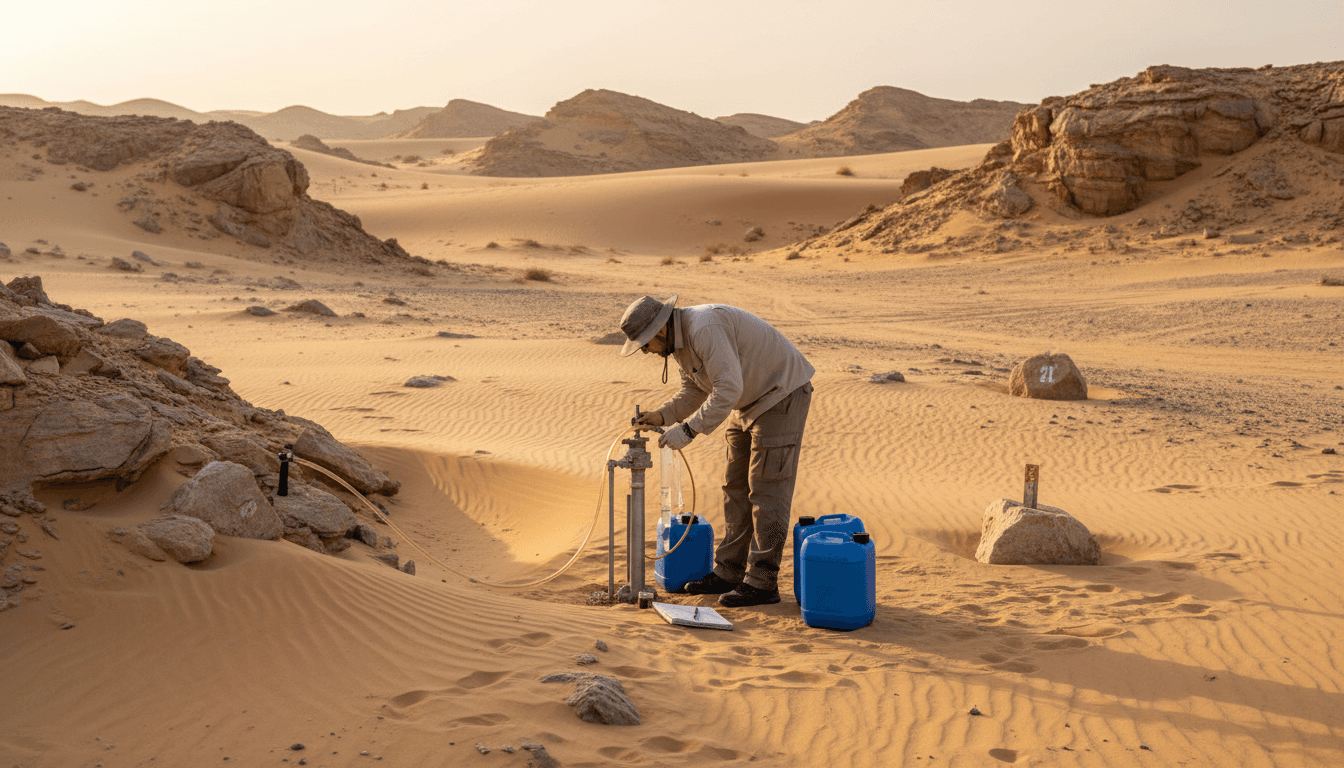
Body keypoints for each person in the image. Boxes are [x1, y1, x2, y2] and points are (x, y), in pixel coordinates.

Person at [618, 294, 814, 607]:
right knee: (734, 487)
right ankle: (729, 572)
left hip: (780, 393)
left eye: (645, 344)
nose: (645, 351)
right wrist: (662, 416)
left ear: (659, 330)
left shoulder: (703, 328)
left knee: (766, 491)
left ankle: (762, 583)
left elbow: (728, 388)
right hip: (745, 402)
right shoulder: (679, 344)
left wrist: (687, 430)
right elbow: (695, 390)